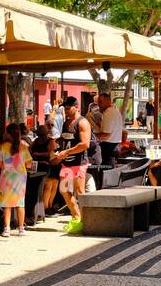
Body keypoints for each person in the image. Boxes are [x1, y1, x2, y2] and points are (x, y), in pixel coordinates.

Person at [51, 97, 92, 233]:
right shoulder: (65, 122)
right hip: (66, 163)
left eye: (69, 108)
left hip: (79, 163)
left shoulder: (83, 122)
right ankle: (77, 216)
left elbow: (85, 144)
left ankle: (86, 220)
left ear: (76, 107)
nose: (66, 111)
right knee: (64, 190)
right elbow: (65, 139)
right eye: (65, 108)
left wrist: (66, 152)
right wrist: (56, 145)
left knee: (80, 192)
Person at [0, 123, 32, 237]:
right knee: (20, 203)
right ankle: (21, 228)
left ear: (7, 133)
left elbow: (0, 163)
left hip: (6, 178)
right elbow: (29, 164)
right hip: (20, 178)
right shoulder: (24, 146)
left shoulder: (3, 146)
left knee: (7, 204)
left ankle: (7, 229)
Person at [92, 92, 124, 166]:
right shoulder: (114, 111)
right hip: (113, 146)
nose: (98, 104)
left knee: (107, 173)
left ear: (108, 101)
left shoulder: (109, 113)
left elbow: (106, 134)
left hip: (109, 148)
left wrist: (94, 136)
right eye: (98, 102)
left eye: (100, 102)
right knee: (109, 172)